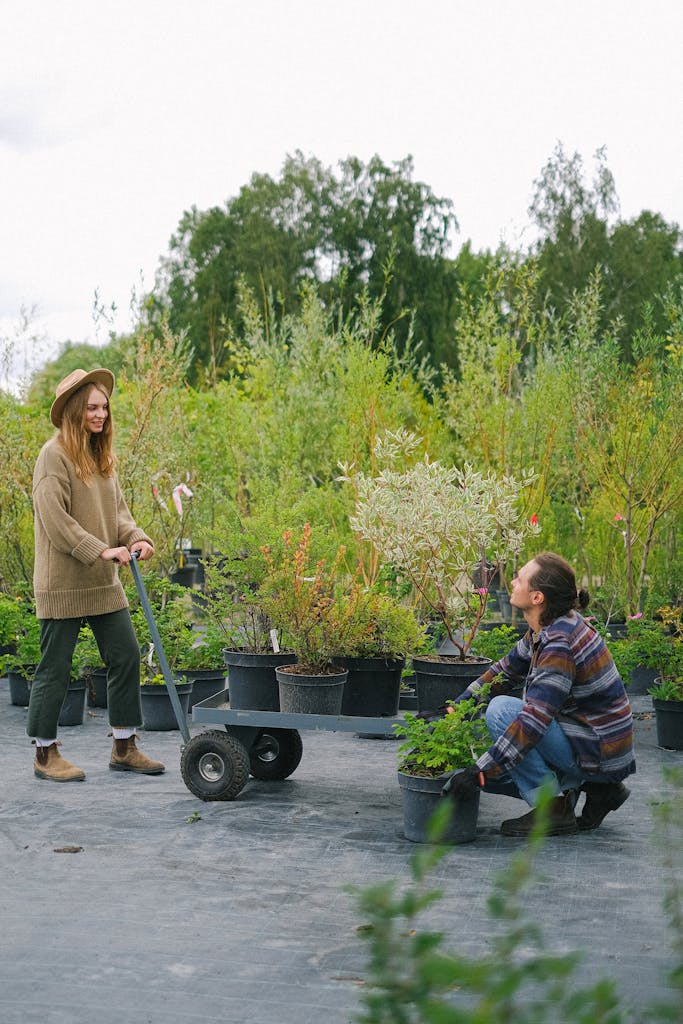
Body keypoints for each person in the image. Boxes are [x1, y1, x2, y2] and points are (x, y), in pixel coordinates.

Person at [27, 368, 165, 782]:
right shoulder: (53, 456)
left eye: (104, 407)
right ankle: (44, 754)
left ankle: (124, 746)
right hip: (64, 583)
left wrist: (137, 538)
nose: (101, 414)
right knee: (55, 667)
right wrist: (101, 549)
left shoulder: (101, 457)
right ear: (73, 411)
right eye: (91, 407)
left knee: (125, 654)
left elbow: (118, 514)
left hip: (103, 582)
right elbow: (55, 520)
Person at [441, 552, 635, 836]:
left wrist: (477, 772)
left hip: (598, 750)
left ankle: (553, 808)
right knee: (504, 736)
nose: (512, 580)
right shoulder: (553, 624)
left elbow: (533, 722)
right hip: (600, 744)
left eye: (520, 578)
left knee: (502, 713)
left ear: (537, 598)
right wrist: (455, 708)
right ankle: (601, 788)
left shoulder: (559, 643)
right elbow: (507, 670)